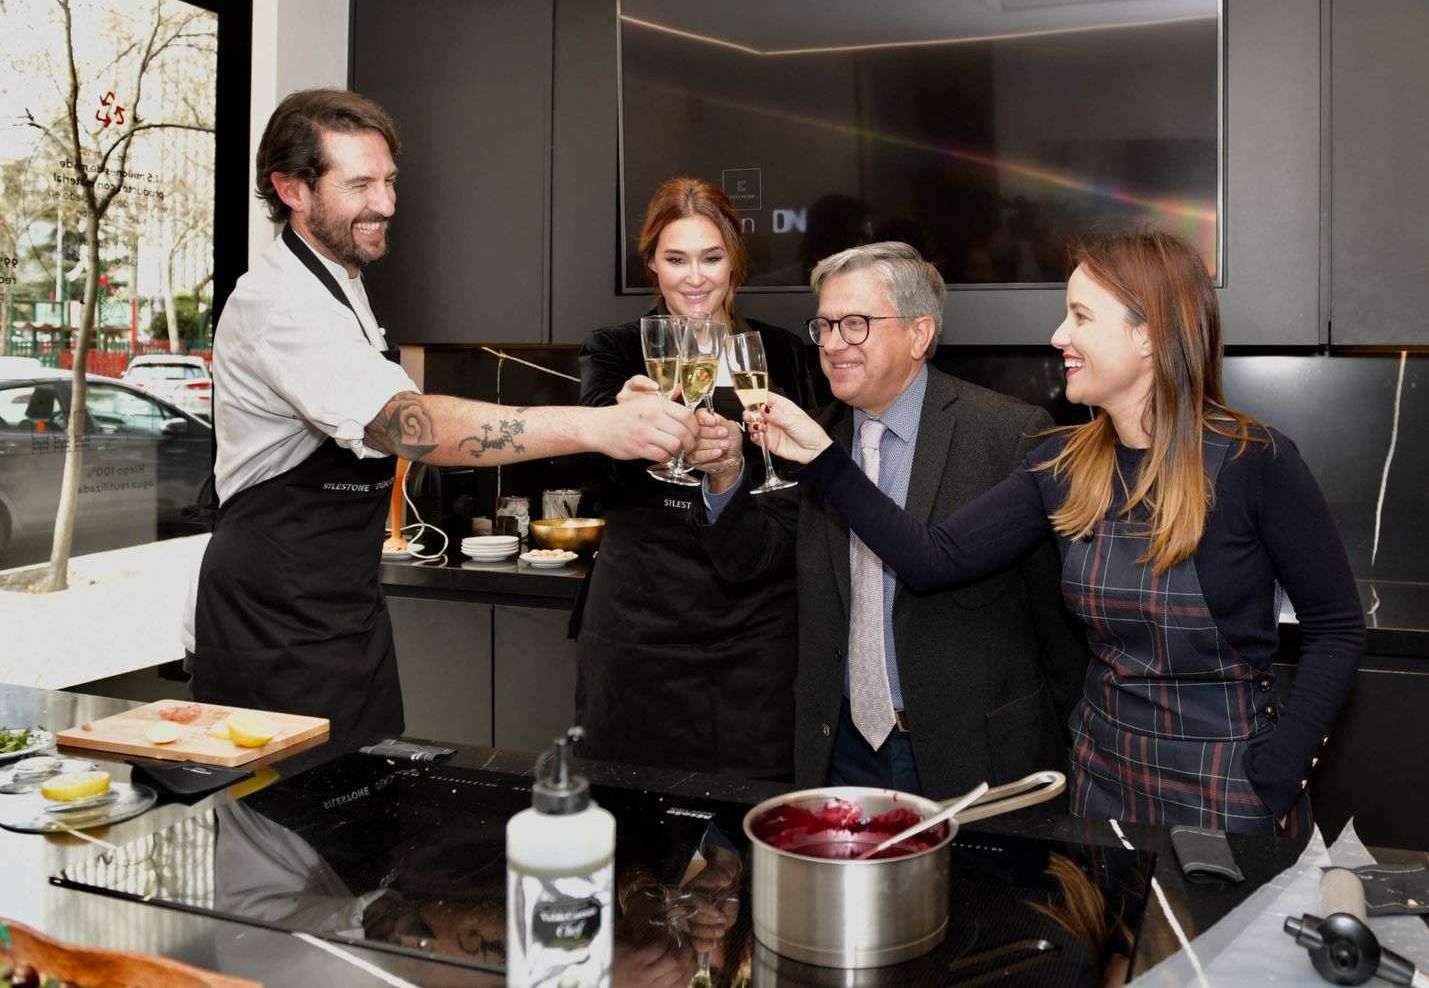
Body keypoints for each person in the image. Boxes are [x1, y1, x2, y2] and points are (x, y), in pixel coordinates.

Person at [746, 231, 1365, 834]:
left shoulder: (1253, 461)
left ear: (1147, 335)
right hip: (1102, 781)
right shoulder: (1061, 464)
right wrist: (825, 458)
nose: (1058, 336)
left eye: (1080, 317)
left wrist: (1281, 773)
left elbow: (1336, 628)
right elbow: (933, 558)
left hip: (1226, 782)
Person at [193, 89, 697, 733]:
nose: (385, 203)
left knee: (360, 806)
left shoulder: (341, 283)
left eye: (389, 181)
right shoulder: (280, 305)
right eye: (359, 185)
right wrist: (598, 426)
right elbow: (413, 426)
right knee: (281, 823)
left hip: (341, 608)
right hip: (269, 620)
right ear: (291, 189)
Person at [691, 241, 1080, 799]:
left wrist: (1072, 742)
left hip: (978, 754)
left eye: (854, 324)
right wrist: (728, 476)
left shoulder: (1004, 434)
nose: (831, 345)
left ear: (919, 334)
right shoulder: (813, 439)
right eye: (823, 326)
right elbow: (749, 561)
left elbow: (1056, 618)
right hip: (845, 749)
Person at [573, 178, 815, 777]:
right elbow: (598, 473)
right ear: (651, 263)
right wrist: (626, 435)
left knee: (749, 821)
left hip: (758, 625)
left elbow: (807, 480)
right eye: (676, 259)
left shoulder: (782, 353)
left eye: (712, 257)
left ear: (735, 260)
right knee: (643, 826)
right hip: (644, 622)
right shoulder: (617, 351)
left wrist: (741, 466)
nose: (696, 277)